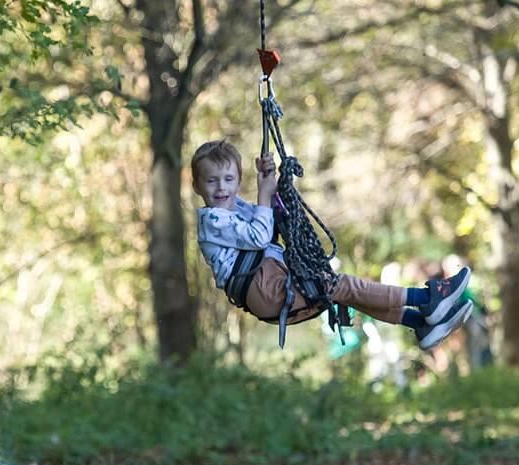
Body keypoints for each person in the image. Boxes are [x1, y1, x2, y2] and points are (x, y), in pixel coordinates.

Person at [191, 140, 473, 350]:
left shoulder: (234, 207)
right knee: (340, 285)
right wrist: (264, 195)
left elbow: (268, 217)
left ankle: (419, 322)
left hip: (269, 280)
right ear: (197, 187)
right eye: (212, 181)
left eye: (228, 179)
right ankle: (425, 300)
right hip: (263, 289)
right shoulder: (212, 220)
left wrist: (268, 181)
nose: (221, 188)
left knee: (342, 292)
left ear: (238, 181)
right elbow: (259, 236)